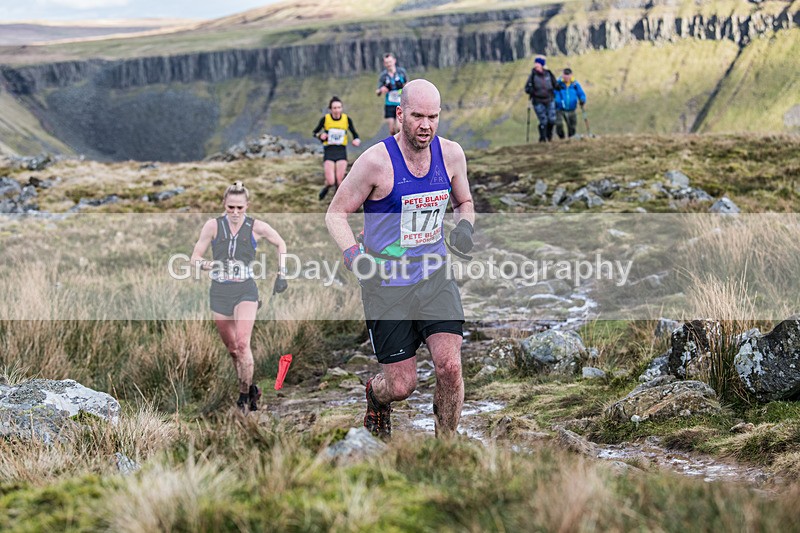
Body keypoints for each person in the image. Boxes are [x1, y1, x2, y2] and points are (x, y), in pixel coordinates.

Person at [326, 79, 475, 439]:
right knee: (401, 385)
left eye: (433, 117)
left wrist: (465, 228)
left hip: (434, 277)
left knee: (450, 368)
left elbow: (464, 203)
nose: (426, 125)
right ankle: (376, 399)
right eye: (418, 116)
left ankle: (447, 449)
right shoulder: (375, 162)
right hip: (386, 285)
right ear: (400, 114)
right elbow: (335, 214)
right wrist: (355, 258)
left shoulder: (451, 154)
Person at [190, 182, 289, 413]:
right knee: (233, 350)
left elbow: (280, 243)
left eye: (240, 208)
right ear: (224, 205)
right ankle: (250, 386)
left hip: (245, 290)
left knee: (243, 344)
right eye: (231, 207)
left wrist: (281, 274)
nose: (235, 212)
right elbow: (194, 257)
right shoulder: (212, 226)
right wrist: (209, 265)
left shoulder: (257, 227)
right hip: (220, 292)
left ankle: (244, 399)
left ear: (247, 206)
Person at [313, 96, 361, 201]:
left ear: (341, 108)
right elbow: (315, 132)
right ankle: (326, 188)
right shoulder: (325, 119)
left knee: (339, 182)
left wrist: (356, 140)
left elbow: (355, 133)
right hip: (329, 151)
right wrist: (320, 136)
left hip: (341, 151)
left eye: (339, 107)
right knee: (330, 181)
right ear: (330, 109)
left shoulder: (346, 119)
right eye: (334, 108)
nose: (337, 110)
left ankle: (337, 204)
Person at [524, 55, 558, 142]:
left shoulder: (549, 74)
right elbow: (527, 88)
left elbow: (555, 85)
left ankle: (549, 136)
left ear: (542, 65)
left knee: (552, 119)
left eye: (538, 65)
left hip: (550, 99)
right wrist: (531, 90)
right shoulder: (532, 76)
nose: (536, 66)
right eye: (535, 64)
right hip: (538, 101)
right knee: (543, 120)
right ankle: (543, 138)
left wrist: (558, 87)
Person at [376, 52, 409, 136]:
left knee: (399, 127)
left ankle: (402, 145)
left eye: (390, 62)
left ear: (394, 61)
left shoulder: (401, 72)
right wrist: (381, 90)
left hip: (400, 103)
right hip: (389, 104)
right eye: (386, 63)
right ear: (384, 64)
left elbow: (408, 85)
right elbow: (378, 91)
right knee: (392, 130)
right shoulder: (383, 76)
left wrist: (401, 88)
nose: (388, 64)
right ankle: (394, 147)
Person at [554, 68, 587, 139]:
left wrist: (582, 100)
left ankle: (571, 139)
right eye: (565, 75)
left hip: (572, 109)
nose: (566, 77)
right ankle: (561, 138)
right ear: (562, 75)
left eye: (568, 75)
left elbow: (581, 93)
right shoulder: (557, 84)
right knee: (558, 124)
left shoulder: (575, 84)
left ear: (571, 75)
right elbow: (552, 94)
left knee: (572, 126)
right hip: (559, 109)